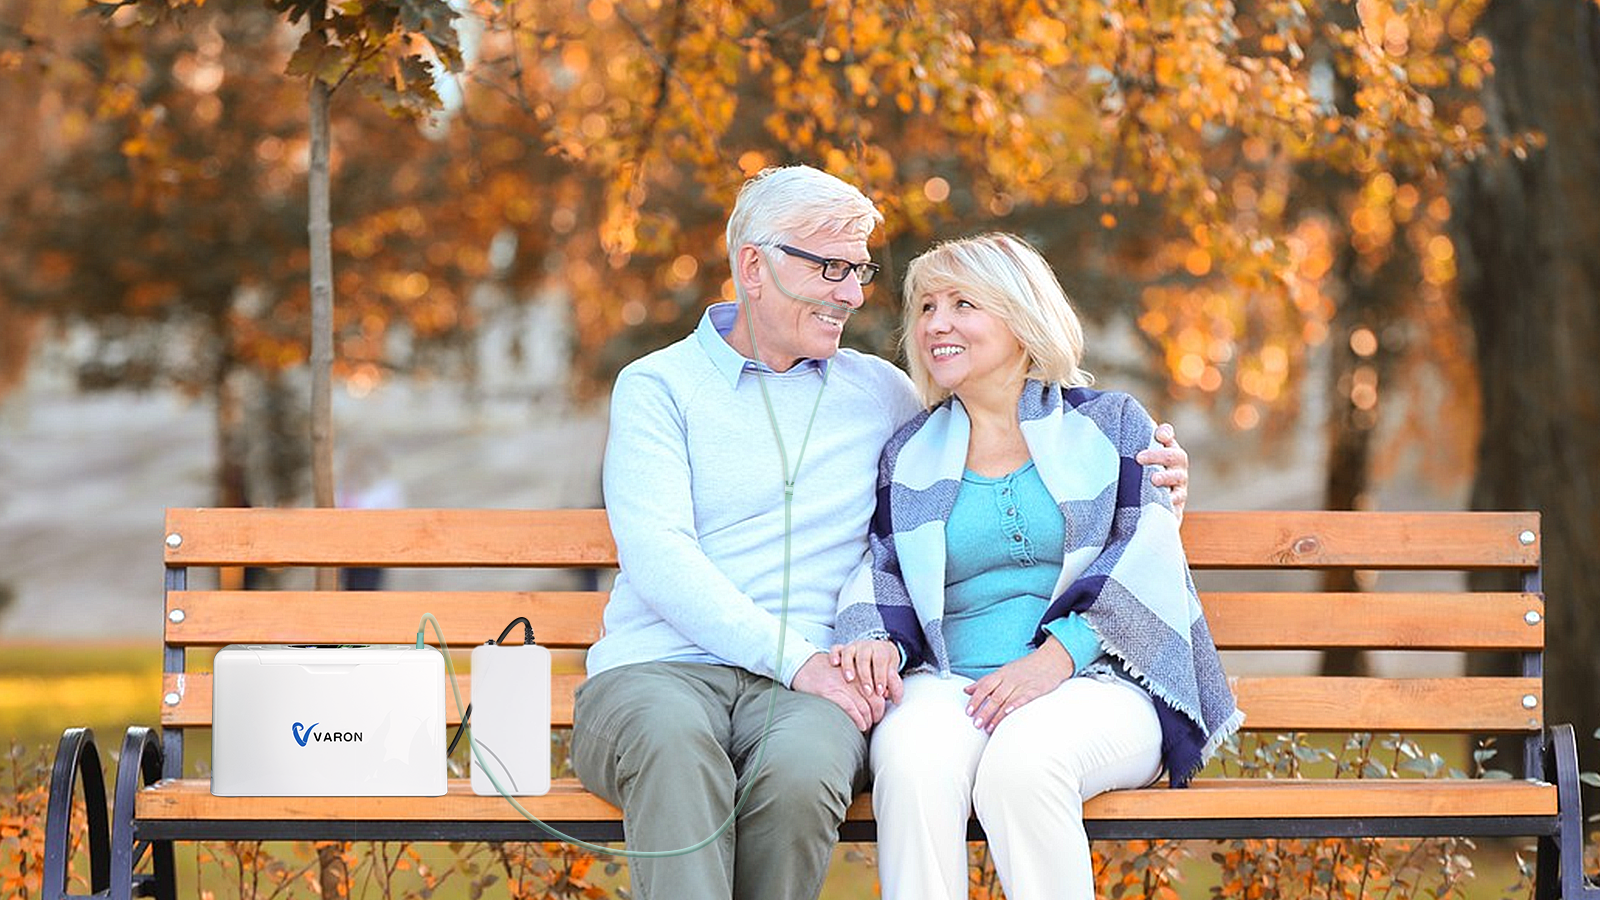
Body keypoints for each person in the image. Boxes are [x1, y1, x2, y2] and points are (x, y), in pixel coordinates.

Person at [569, 168, 1191, 900]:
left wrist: (1165, 487)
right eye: (830, 268)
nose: (854, 295)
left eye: (859, 271)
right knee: (675, 746)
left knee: (803, 771)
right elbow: (660, 556)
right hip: (666, 667)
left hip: (815, 685)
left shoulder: (882, 395)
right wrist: (811, 659)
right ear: (754, 267)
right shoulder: (658, 386)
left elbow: (1034, 475)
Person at [832, 232, 1241, 900]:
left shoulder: (1111, 424)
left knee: (1023, 766)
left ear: (1022, 318)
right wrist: (873, 635)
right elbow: (883, 566)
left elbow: (1147, 551)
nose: (936, 324)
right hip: (952, 682)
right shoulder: (909, 451)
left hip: (1099, 681)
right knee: (910, 764)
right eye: (927, 307)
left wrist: (1057, 657)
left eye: (963, 304)